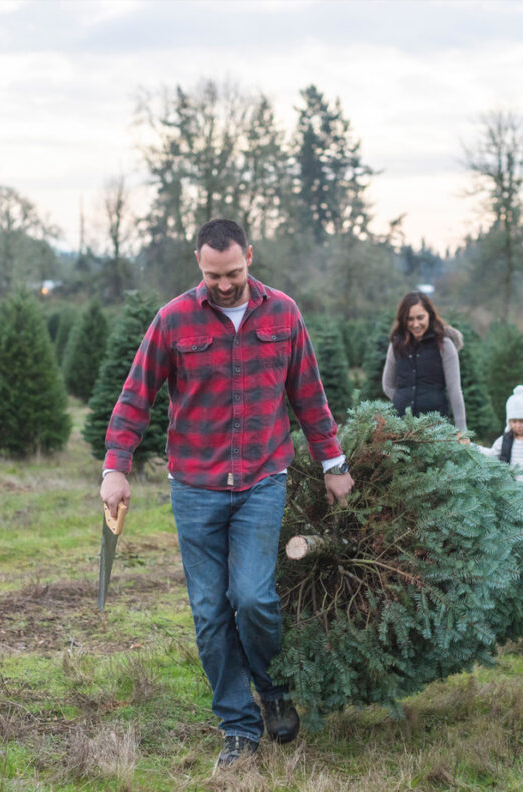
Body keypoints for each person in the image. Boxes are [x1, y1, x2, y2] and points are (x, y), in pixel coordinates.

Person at [99, 218, 354, 770]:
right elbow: (134, 398)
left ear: (250, 258)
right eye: (214, 274)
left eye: (234, 272)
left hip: (263, 479)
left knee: (255, 598)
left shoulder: (283, 313)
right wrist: (115, 468)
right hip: (195, 487)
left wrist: (333, 461)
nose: (224, 284)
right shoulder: (173, 319)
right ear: (199, 263)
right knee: (210, 612)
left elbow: (309, 393)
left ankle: (274, 688)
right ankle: (238, 726)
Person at [380, 292, 466, 437]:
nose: (415, 324)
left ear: (430, 315)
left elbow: (454, 390)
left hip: (436, 429)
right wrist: (402, 401)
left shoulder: (444, 345)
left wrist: (462, 430)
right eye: (410, 319)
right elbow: (387, 385)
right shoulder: (396, 345)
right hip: (401, 429)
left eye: (420, 317)